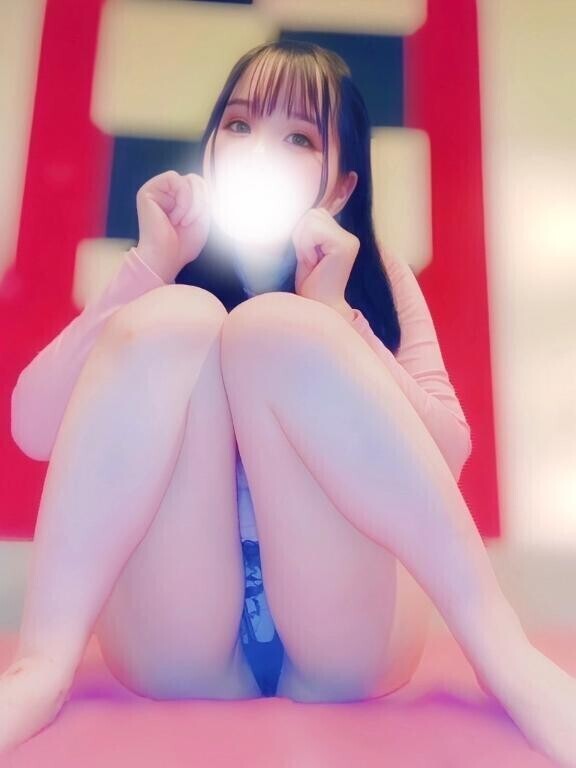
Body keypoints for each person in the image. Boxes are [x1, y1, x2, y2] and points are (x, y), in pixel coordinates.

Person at [3, 40, 575, 765]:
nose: (259, 150)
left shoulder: (375, 276)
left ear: (339, 188)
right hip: (178, 638)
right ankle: (40, 667)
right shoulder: (164, 273)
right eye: (239, 125)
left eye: (298, 138)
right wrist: (150, 266)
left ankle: (506, 655)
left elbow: (448, 454)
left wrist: (334, 314)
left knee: (275, 329)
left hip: (343, 630)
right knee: (176, 319)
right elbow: (33, 427)